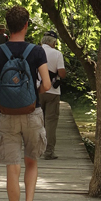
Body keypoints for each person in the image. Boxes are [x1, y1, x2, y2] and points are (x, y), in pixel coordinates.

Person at [0, 5, 51, 201]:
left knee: (12, 169)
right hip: (33, 113)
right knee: (31, 162)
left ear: (6, 27)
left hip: (7, 116)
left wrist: (4, 90)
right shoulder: (37, 51)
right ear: (26, 25)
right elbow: (48, 85)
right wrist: (31, 92)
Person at [39, 31, 66, 159]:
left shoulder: (34, 51)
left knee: (35, 121)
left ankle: (33, 149)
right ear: (53, 42)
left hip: (36, 90)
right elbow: (61, 73)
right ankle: (48, 152)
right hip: (52, 92)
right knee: (50, 122)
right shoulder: (57, 54)